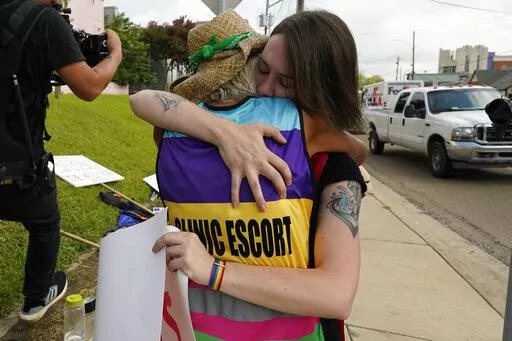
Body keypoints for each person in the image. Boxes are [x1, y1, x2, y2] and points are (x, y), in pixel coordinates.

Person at [131, 10, 366, 341]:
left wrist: (213, 270)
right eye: (263, 69)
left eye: (286, 82)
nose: (265, 89)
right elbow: (143, 100)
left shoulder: (332, 164)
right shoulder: (196, 136)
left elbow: (338, 294)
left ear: (320, 90)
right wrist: (226, 133)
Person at [0, 0, 122, 322]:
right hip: (14, 170)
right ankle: (37, 297)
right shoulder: (45, 20)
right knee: (45, 223)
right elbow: (90, 86)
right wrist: (115, 56)